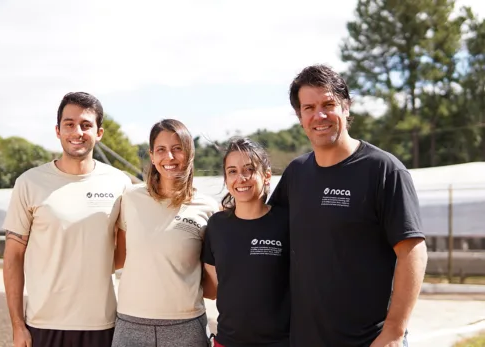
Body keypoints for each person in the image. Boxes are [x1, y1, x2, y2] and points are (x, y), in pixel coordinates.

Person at [268, 65, 428, 347]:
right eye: (309, 107)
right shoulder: (296, 174)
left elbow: (412, 252)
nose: (320, 115)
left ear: (346, 107)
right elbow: (266, 231)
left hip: (369, 340)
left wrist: (394, 331)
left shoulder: (383, 170)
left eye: (328, 104)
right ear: (300, 116)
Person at [2, 92, 132, 347]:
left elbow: (123, 253)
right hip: (43, 325)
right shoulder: (29, 183)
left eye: (86, 125)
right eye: (69, 124)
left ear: (99, 133)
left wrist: (89, 266)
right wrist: (18, 326)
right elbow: (13, 258)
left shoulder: (120, 183)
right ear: (58, 130)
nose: (77, 132)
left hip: (101, 324)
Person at [111, 119, 219, 347]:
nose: (169, 157)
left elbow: (212, 280)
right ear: (151, 155)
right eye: (161, 149)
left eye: (177, 148)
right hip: (131, 325)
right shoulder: (130, 198)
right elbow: (118, 258)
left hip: (186, 326)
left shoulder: (207, 207)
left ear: (189, 153)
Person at [202, 137, 290, 347]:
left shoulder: (287, 222)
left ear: (267, 176)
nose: (240, 178)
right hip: (228, 341)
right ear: (225, 179)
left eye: (248, 169)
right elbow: (214, 286)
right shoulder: (216, 226)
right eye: (232, 171)